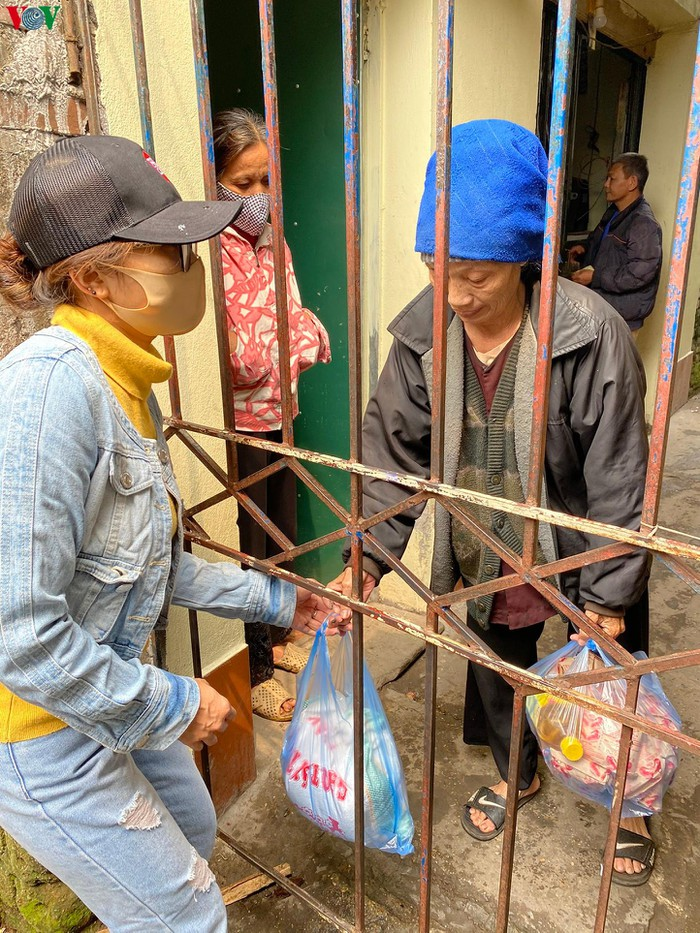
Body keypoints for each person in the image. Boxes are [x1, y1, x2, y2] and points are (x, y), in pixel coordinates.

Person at [0, 134, 347, 932]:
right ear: (92, 277)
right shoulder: (50, 393)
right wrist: (174, 702)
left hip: (107, 692)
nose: (193, 266)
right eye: (170, 252)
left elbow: (157, 566)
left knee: (193, 831)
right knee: (189, 911)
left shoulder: (128, 381)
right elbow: (22, 638)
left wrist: (278, 601)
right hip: (46, 731)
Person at [329, 121, 655, 885]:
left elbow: (619, 473)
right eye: (437, 268)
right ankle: (522, 768)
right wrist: (368, 561)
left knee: (608, 668)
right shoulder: (419, 336)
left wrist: (608, 593)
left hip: (577, 535)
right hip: (484, 535)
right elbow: (390, 456)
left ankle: (630, 798)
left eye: (475, 273)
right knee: (496, 657)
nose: (455, 294)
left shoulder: (590, 333)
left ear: (524, 257)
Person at [213, 108, 332, 722]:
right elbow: (235, 361)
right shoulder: (209, 250)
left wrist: (282, 344)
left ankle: (279, 637)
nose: (259, 197)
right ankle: (253, 665)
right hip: (235, 425)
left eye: (266, 181)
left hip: (281, 414)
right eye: (242, 183)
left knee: (282, 538)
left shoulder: (271, 240)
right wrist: (284, 342)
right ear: (215, 182)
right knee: (248, 548)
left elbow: (310, 329)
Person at [570, 153, 662, 340]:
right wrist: (584, 249)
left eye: (612, 178)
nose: (605, 184)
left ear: (632, 183)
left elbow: (638, 274)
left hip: (622, 317)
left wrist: (595, 277)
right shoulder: (614, 212)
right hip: (603, 308)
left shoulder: (643, 223)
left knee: (611, 369)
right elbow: (602, 242)